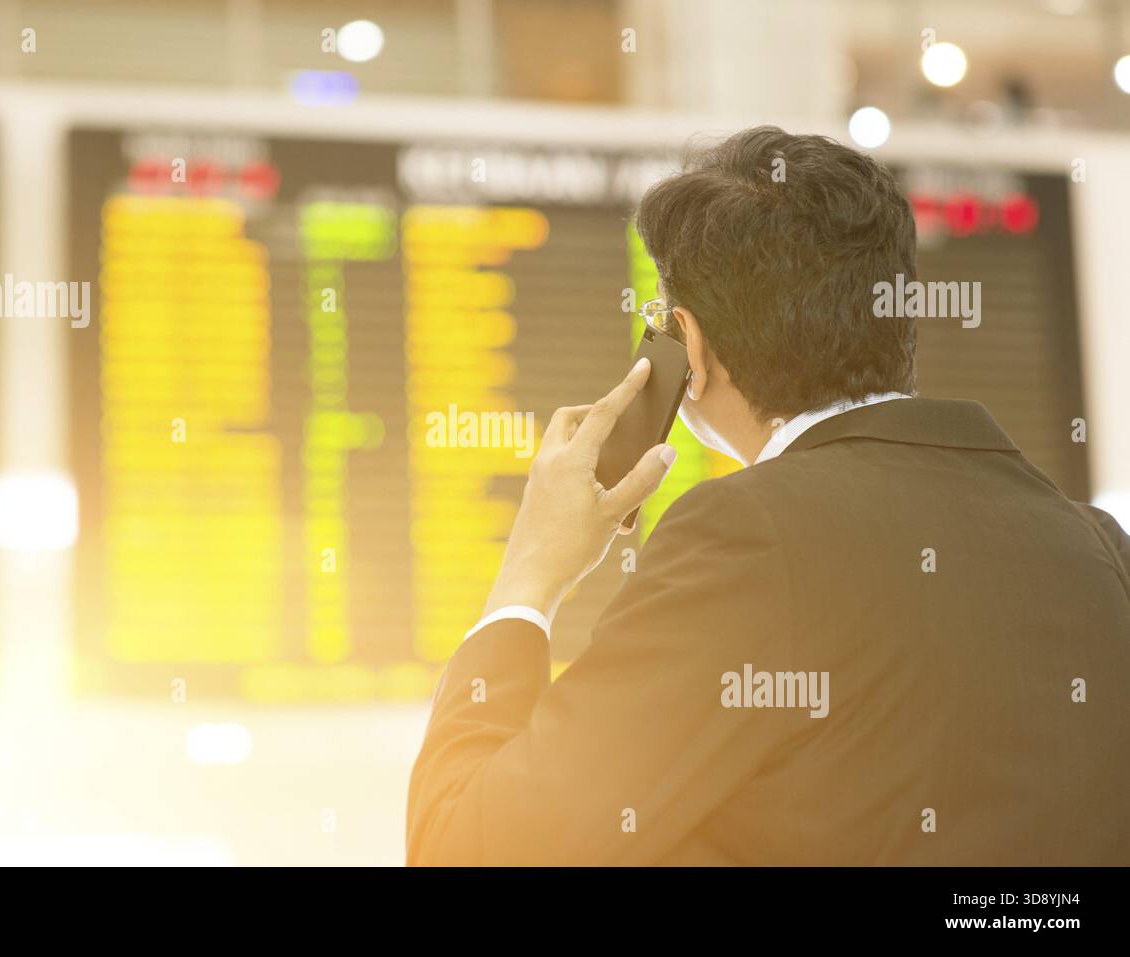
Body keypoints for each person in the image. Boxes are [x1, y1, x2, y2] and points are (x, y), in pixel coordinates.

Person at [406, 126, 1130, 865]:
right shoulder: (1100, 547)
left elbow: (466, 848)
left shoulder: (745, 537)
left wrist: (528, 576)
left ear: (687, 347)